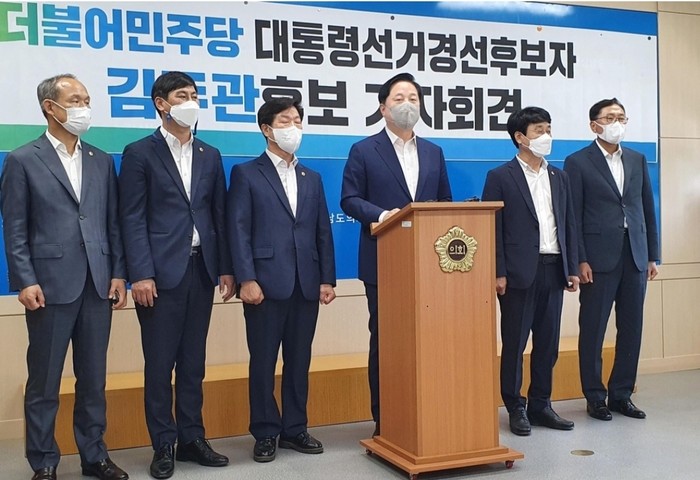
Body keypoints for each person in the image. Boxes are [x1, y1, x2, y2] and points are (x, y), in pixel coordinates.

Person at [0, 74, 128, 480]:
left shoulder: (101, 160)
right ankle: (44, 461)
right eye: (74, 100)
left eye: (86, 100)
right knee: (44, 381)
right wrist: (25, 279)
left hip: (97, 283)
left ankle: (94, 456)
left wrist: (118, 273)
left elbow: (112, 223)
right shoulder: (22, 159)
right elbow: (14, 227)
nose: (83, 108)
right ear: (49, 108)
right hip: (49, 285)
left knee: (93, 379)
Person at [118, 71, 234, 479]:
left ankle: (192, 438)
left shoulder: (210, 154)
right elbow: (131, 217)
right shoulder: (139, 152)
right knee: (159, 364)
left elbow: (218, 213)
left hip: (200, 269)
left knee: (193, 361)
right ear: (161, 103)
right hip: (158, 274)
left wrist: (225, 268)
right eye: (182, 95)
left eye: (195, 95)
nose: (191, 102)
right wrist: (140, 274)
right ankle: (163, 443)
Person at [340, 72, 452, 436]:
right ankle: (385, 419)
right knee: (387, 343)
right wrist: (383, 215)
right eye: (399, 98)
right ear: (383, 108)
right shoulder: (363, 150)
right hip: (383, 260)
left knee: (429, 341)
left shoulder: (434, 152)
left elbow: (445, 203)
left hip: (430, 265)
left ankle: (427, 413)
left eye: (414, 99)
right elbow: (349, 199)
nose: (408, 105)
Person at [227, 97, 336, 463]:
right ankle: (265, 431)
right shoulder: (246, 173)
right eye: (286, 120)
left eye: (298, 120)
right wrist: (246, 278)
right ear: (267, 129)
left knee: (299, 360)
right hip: (264, 283)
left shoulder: (312, 177)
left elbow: (322, 231)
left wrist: (326, 279)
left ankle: (294, 428)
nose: (294, 127)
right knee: (263, 361)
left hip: (306, 282)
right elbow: (238, 230)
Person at [481, 107, 579, 436]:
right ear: (520, 137)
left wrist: (572, 266)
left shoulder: (559, 177)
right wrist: (498, 271)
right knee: (515, 343)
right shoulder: (500, 176)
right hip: (518, 272)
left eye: (548, 129)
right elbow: (493, 228)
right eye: (539, 130)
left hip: (554, 267)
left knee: (548, 344)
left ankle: (541, 404)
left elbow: (568, 223)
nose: (546, 136)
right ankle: (515, 406)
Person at [564, 98, 659, 421]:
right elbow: (573, 215)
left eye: (621, 117)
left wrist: (652, 255)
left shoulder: (637, 159)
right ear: (594, 125)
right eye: (610, 118)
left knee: (632, 328)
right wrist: (580, 258)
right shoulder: (578, 162)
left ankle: (621, 394)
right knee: (593, 329)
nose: (616, 123)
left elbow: (647, 208)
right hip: (597, 259)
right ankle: (595, 397)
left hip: (635, 255)